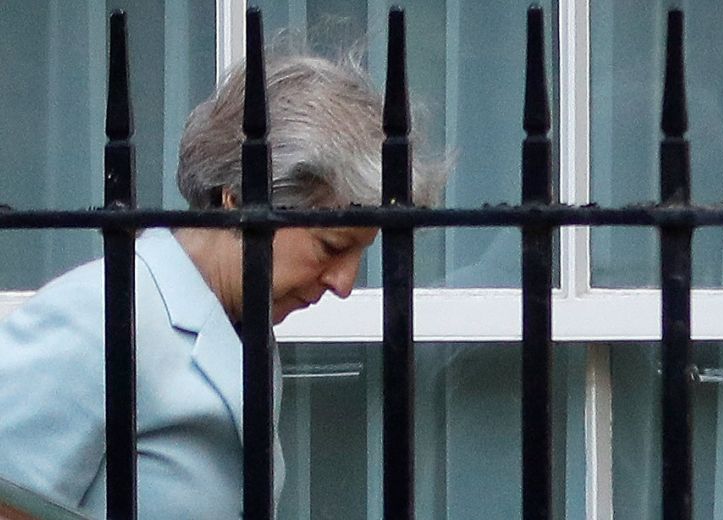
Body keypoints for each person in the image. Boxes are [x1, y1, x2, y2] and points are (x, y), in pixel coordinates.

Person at [0, 50, 444, 519]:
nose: (345, 283)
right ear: (237, 200)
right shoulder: (100, 314)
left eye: (360, 252)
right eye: (331, 246)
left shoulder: (243, 329)